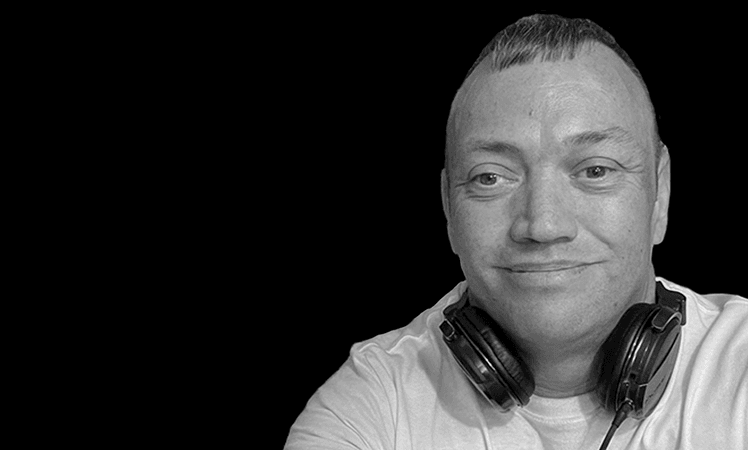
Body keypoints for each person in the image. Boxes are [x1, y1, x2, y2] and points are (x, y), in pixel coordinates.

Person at [284, 14, 746, 450]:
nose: (543, 225)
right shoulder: (369, 405)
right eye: (490, 177)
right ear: (448, 208)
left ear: (660, 194)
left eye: (595, 170)